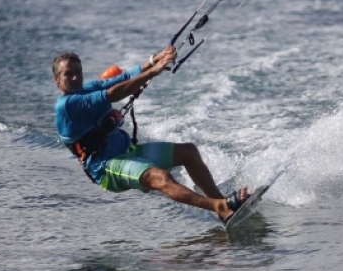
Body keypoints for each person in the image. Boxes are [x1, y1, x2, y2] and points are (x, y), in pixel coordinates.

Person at [52, 46, 249, 224]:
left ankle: (223, 207)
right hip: (107, 167)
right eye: (69, 74)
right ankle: (220, 206)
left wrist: (155, 60)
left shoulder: (86, 89)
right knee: (160, 177)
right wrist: (153, 71)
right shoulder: (67, 105)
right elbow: (113, 93)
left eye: (78, 72)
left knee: (189, 152)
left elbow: (123, 78)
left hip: (128, 152)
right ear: (57, 80)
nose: (76, 78)